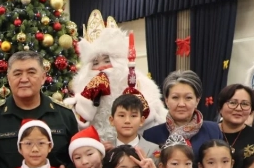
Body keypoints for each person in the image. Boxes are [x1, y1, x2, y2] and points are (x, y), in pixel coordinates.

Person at [67, 11, 166, 145]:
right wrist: (87, 98)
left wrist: (136, 102)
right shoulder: (83, 87)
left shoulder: (138, 80)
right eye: (95, 63)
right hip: (97, 150)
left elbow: (152, 120)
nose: (101, 67)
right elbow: (79, 126)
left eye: (107, 60)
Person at [0, 51, 79, 168]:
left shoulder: (64, 115)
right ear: (8, 79)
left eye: (31, 72)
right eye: (17, 74)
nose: (24, 79)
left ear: (43, 77)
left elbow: (78, 155)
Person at [143, 70, 224, 158]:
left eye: (188, 98)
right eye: (175, 97)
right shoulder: (151, 135)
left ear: (197, 101)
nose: (181, 104)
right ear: (166, 100)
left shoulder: (213, 130)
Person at [216, 84, 254, 158]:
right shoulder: (208, 133)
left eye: (245, 104)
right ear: (220, 108)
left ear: (251, 110)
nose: (238, 108)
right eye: (232, 103)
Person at [108, 93, 161, 157]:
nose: (127, 121)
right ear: (112, 120)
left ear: (141, 121)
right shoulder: (105, 150)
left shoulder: (153, 150)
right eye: (122, 115)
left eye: (133, 116)